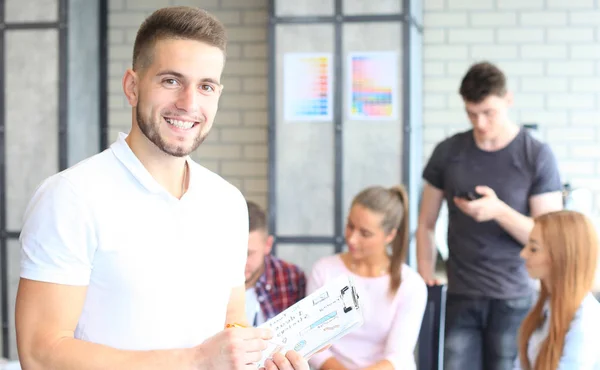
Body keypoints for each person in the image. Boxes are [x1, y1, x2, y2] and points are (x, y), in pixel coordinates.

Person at [14, 7, 308, 370]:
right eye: (171, 81)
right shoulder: (71, 197)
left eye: (206, 86)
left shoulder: (228, 202)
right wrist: (196, 360)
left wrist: (256, 360)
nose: (189, 104)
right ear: (132, 86)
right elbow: (40, 354)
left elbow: (232, 319)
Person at [416, 61, 564, 370]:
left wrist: (498, 211)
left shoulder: (535, 155)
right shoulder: (448, 152)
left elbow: (550, 237)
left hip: (515, 297)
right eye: (472, 114)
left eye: (488, 113)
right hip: (459, 293)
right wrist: (425, 275)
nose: (480, 123)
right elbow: (425, 224)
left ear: (508, 100)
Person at [307, 185, 427, 370]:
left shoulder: (411, 284)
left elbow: (398, 356)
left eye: (365, 233)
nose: (352, 239)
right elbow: (314, 343)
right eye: (350, 226)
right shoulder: (324, 270)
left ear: (390, 235)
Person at [516, 210, 600, 369]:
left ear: (561, 256)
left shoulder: (586, 322)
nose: (523, 254)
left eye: (533, 249)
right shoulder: (544, 307)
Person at [244, 200, 306, 326]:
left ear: (268, 244)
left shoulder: (291, 278)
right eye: (231, 253)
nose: (240, 262)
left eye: (248, 254)